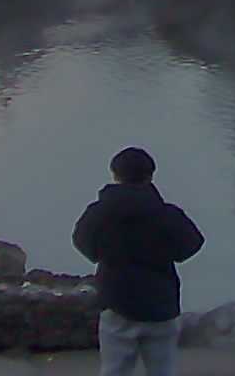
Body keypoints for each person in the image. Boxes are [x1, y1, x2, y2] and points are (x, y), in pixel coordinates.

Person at [72, 147, 203, 376]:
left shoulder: (100, 213)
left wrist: (106, 255)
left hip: (117, 301)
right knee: (163, 370)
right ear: (150, 176)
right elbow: (192, 243)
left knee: (114, 370)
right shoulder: (167, 214)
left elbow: (83, 242)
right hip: (161, 303)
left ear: (115, 175)